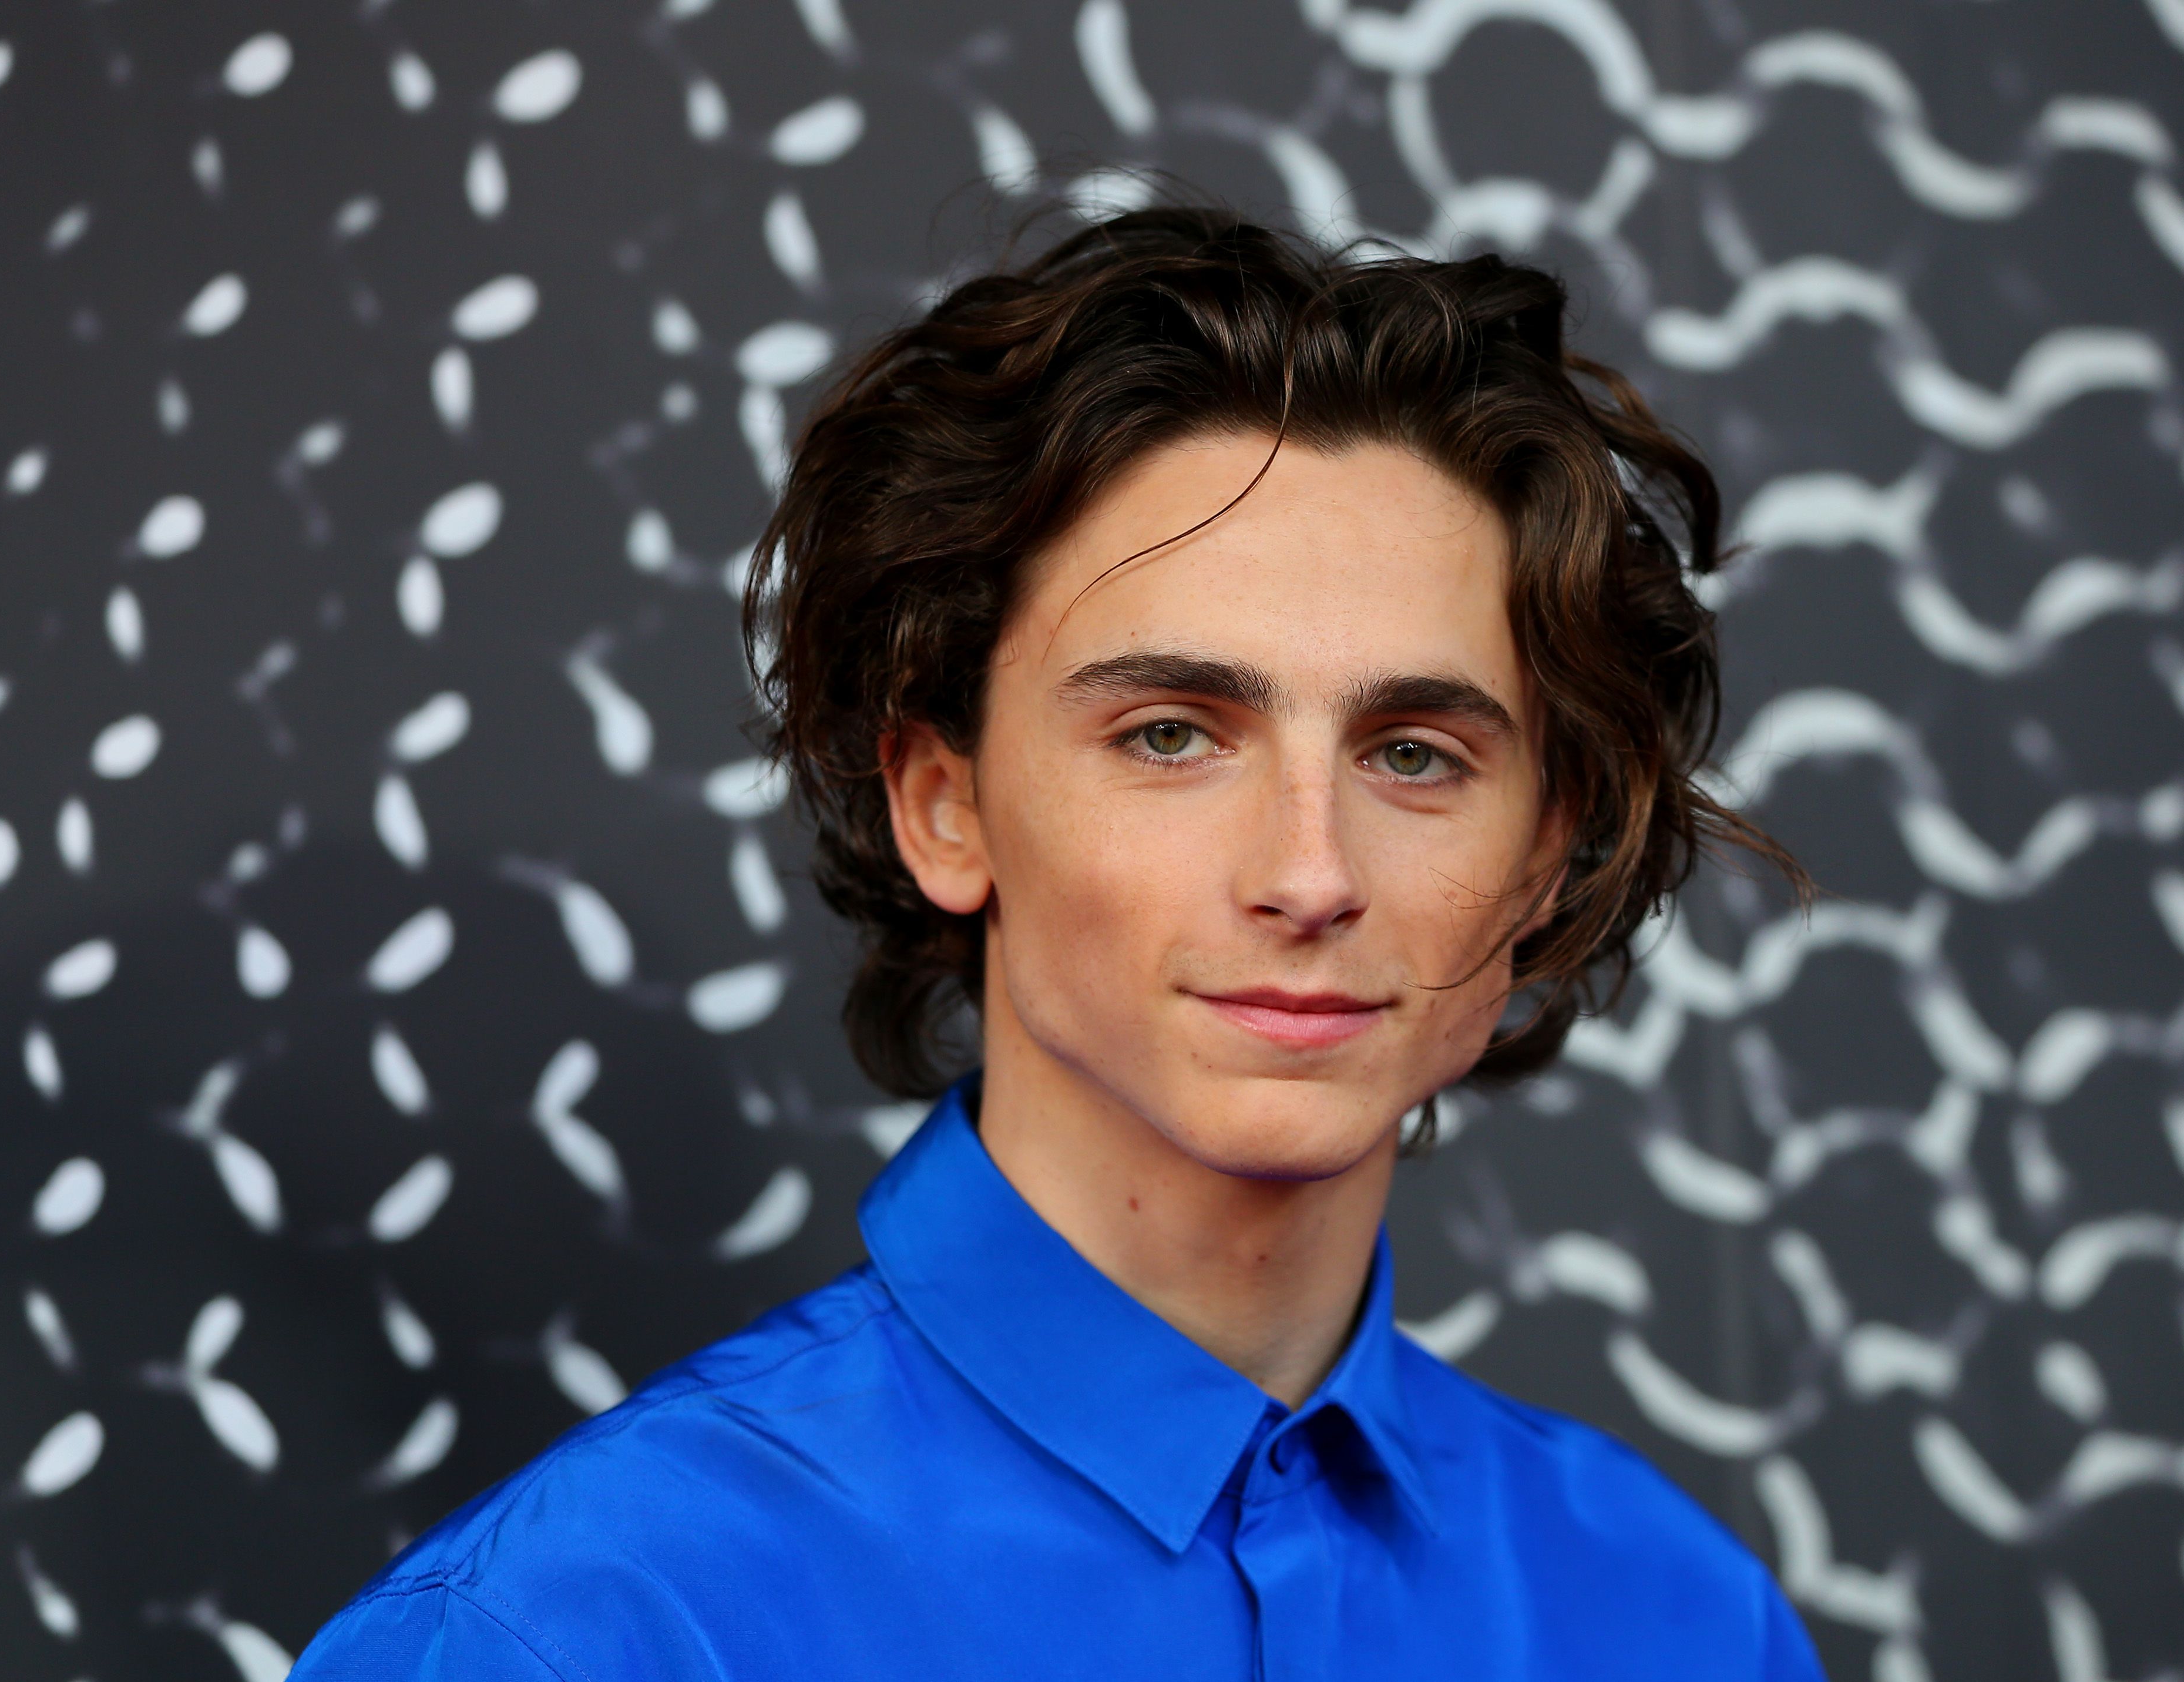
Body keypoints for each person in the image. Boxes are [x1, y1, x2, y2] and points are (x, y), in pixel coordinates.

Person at [290, 206, 1820, 1680]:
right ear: (942, 805)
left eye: (1414, 755)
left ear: (1546, 854)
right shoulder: (571, 1637)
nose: (1309, 874)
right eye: (1170, 735)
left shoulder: (1683, 1623)